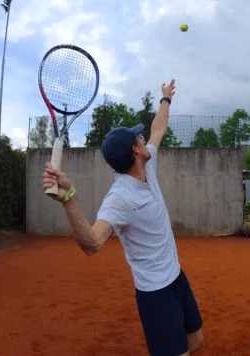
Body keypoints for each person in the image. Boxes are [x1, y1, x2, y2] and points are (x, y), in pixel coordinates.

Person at [42, 79, 204, 356]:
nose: (143, 139)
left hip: (177, 277)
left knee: (197, 341)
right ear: (135, 150)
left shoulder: (147, 166)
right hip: (155, 293)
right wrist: (69, 199)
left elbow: (158, 129)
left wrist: (166, 99)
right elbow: (92, 243)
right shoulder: (120, 197)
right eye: (137, 138)